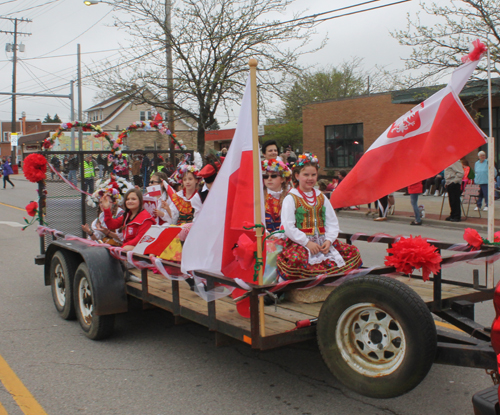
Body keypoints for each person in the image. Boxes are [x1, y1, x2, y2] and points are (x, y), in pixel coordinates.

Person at [276, 154, 362, 280]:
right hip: (301, 243)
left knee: (351, 252)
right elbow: (288, 226)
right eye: (306, 175)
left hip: (323, 242)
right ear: (297, 176)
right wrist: (306, 242)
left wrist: (329, 240)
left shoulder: (321, 197)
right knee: (297, 261)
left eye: (313, 175)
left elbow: (332, 222)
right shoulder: (291, 198)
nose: (310, 178)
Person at [262, 158, 291, 232]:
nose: (269, 179)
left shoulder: (290, 196)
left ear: (282, 179)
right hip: (265, 238)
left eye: (273, 176)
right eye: (265, 176)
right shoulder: (260, 197)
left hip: (285, 237)